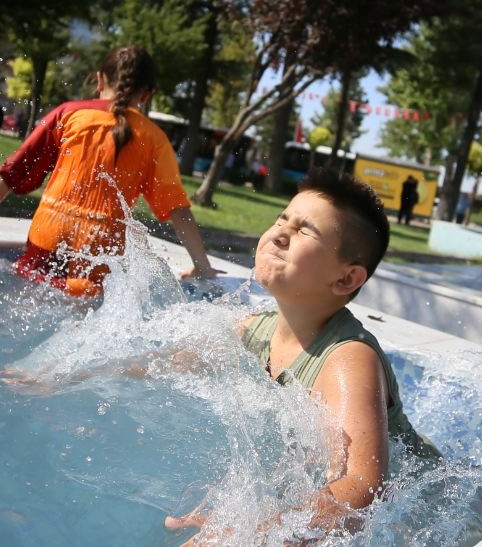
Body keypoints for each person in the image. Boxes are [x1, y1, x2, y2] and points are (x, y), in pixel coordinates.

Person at [166, 171, 440, 544]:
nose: (280, 234)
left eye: (303, 231)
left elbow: (362, 487)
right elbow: (166, 364)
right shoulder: (254, 329)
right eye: (282, 220)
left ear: (346, 279)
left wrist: (246, 536)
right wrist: (93, 373)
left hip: (430, 508)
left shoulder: (348, 358)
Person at [0, 45, 221, 296]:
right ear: (147, 95)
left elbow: (16, 168)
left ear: (99, 79)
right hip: (100, 256)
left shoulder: (67, 114)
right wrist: (202, 267)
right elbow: (177, 208)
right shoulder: (155, 139)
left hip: (47, 240)